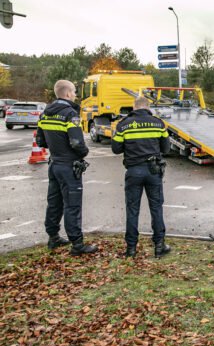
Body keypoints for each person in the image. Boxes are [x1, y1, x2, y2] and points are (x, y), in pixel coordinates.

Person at [37, 80, 97, 255]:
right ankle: (77, 244)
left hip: (54, 164)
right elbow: (77, 142)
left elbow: (40, 141)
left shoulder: (45, 114)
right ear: (68, 93)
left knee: (54, 202)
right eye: (74, 92)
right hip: (69, 166)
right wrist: (84, 152)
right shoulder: (70, 114)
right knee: (72, 205)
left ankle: (53, 237)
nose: (75, 95)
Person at [111, 96, 171, 258]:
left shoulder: (123, 124)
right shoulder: (159, 123)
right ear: (148, 107)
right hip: (153, 171)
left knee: (132, 210)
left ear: (134, 107)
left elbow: (116, 149)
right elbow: (166, 148)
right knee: (156, 208)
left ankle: (131, 248)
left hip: (133, 171)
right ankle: (159, 246)